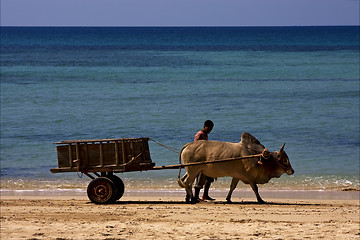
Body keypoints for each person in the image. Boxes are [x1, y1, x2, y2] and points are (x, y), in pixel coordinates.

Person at [193, 120, 215, 201]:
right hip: (200, 160)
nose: (210, 131)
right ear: (205, 126)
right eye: (209, 129)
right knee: (199, 178)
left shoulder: (205, 135)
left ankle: (205, 195)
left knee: (209, 177)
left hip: (206, 159)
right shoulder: (199, 134)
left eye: (211, 129)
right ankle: (196, 196)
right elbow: (195, 147)